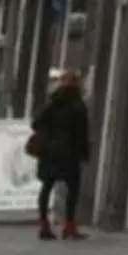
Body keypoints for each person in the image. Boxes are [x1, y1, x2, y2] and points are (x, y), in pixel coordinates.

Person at [29, 69, 91, 240]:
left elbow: (35, 124)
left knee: (47, 187)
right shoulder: (78, 106)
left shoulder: (53, 103)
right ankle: (69, 226)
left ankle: (44, 225)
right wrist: (84, 153)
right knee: (72, 189)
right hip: (68, 153)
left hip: (49, 152)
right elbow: (82, 133)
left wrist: (48, 135)